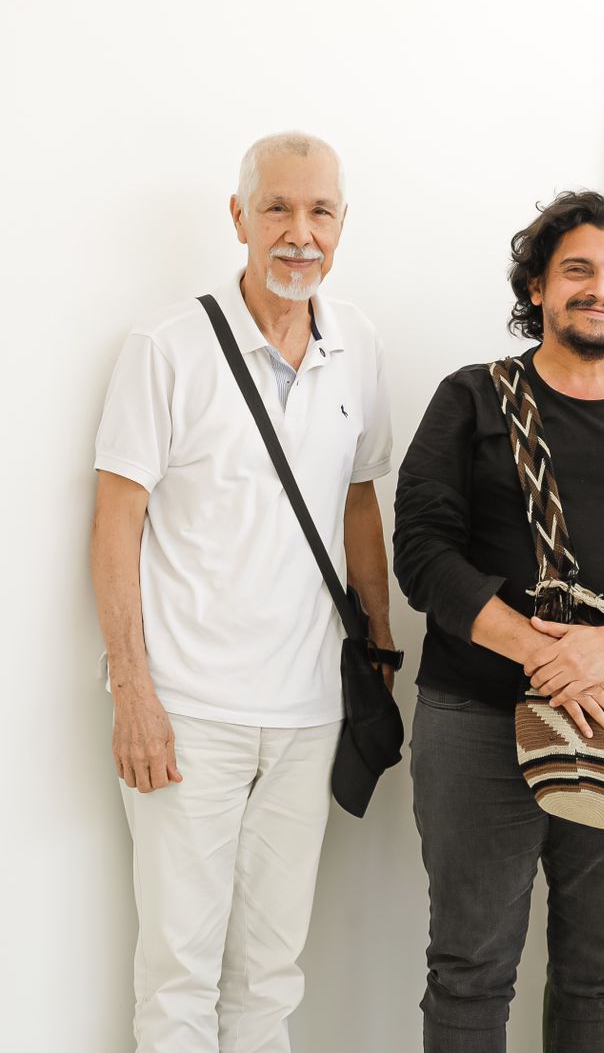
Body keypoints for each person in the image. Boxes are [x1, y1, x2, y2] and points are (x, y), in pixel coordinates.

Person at [392, 190, 604, 1052]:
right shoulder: (474, 397)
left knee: (602, 973)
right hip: (476, 718)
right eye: (578, 269)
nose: (601, 288)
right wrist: (540, 654)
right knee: (470, 969)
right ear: (539, 288)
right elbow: (423, 552)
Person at [91, 131, 394, 1053]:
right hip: (187, 711)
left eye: (320, 212)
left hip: (307, 716)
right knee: (177, 975)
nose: (299, 233)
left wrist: (378, 654)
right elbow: (115, 526)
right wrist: (133, 690)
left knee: (268, 975)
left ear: (343, 223)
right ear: (239, 218)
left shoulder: (359, 345)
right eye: (278, 208)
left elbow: (356, 506)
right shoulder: (167, 347)